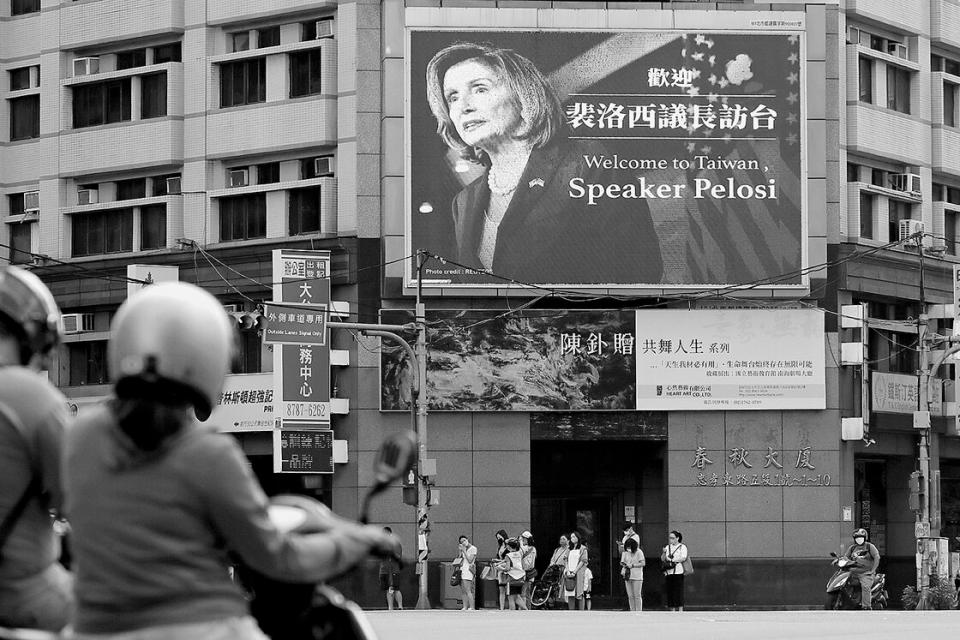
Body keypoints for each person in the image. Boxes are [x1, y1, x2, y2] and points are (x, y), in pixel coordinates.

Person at [63, 282, 397, 639]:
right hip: (201, 628)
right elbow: (278, 557)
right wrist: (359, 540)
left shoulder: (79, 436)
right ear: (207, 357)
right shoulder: (208, 454)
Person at [425, 42, 663, 286]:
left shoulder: (587, 161)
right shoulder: (462, 202)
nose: (464, 106)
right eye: (452, 97)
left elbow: (639, 270)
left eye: (480, 89)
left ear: (523, 96)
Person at [0, 265, 74, 632]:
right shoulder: (29, 394)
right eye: (44, 347)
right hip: (19, 594)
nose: (45, 361)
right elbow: (79, 501)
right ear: (25, 334)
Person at [842, 528, 880, 610]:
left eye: (861, 537)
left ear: (865, 537)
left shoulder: (870, 546)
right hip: (853, 572)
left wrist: (872, 570)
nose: (859, 539)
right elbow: (845, 557)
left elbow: (877, 557)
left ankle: (866, 606)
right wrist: (841, 560)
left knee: (865, 586)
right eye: (857, 537)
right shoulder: (852, 548)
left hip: (866, 572)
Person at [661, 530, 688, 612]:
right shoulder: (667, 547)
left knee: (678, 591)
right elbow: (663, 558)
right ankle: (672, 609)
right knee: (670, 591)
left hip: (678, 571)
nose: (671, 540)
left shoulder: (682, 547)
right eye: (670, 538)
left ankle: (680, 609)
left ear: (677, 538)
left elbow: (683, 557)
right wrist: (664, 553)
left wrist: (673, 560)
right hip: (669, 572)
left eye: (673, 538)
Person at [563, 531, 589, 610]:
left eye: (574, 537)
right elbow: (565, 559)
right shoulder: (569, 549)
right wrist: (567, 570)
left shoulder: (583, 548)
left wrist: (575, 571)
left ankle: (581, 611)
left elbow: (583, 561)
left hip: (578, 572)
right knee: (570, 591)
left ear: (578, 537)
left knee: (579, 593)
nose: (572, 539)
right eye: (571, 537)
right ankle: (571, 610)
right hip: (569, 571)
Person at [379, 527, 403, 610]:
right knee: (387, 589)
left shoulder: (395, 544)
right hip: (384, 570)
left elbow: (398, 556)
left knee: (396, 589)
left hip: (394, 570)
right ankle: (390, 607)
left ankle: (400, 606)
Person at [501, 537, 527, 610]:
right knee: (517, 596)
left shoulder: (508, 555)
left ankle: (512, 614)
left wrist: (500, 568)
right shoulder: (520, 554)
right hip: (521, 577)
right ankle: (526, 610)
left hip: (512, 577)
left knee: (510, 597)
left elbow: (507, 568)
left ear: (509, 546)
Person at [621, 537, 646, 611]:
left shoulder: (639, 552)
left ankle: (638, 610)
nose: (628, 549)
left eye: (629, 547)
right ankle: (632, 610)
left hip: (637, 576)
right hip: (628, 575)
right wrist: (624, 565)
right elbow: (622, 562)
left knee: (637, 595)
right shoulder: (625, 552)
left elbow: (643, 563)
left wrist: (633, 565)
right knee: (630, 595)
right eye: (627, 547)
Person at [456, 534, 478, 610]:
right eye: (461, 542)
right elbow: (459, 559)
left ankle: (472, 606)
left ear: (467, 539)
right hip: (462, 569)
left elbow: (470, 560)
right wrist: (460, 551)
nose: (463, 542)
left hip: (468, 570)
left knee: (468, 589)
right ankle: (465, 606)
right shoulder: (463, 549)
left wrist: (464, 551)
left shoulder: (473, 548)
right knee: (463, 590)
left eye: (464, 540)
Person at [519, 531, 537, 608]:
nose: (522, 540)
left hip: (525, 572)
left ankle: (524, 608)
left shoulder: (524, 548)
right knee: (527, 592)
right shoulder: (533, 549)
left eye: (523, 539)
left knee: (523, 592)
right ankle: (528, 608)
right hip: (530, 573)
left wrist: (519, 541)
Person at [493, 528, 509, 610]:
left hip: (507, 568)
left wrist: (499, 561)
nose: (499, 539)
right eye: (497, 538)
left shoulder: (508, 545)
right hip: (500, 569)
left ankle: (511, 606)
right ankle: (502, 608)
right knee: (501, 589)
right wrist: (497, 560)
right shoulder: (500, 547)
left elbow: (509, 558)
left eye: (500, 537)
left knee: (509, 590)